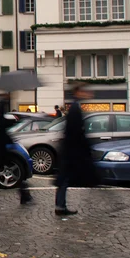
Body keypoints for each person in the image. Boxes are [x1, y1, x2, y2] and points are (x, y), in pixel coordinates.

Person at [54, 82, 101, 216]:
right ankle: (60, 206)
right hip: (71, 150)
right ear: (78, 92)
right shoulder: (75, 108)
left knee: (64, 178)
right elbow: (76, 131)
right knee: (64, 178)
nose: (88, 94)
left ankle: (60, 205)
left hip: (70, 149)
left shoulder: (74, 107)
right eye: (85, 91)